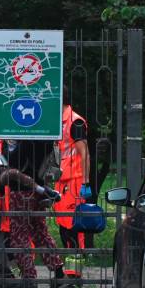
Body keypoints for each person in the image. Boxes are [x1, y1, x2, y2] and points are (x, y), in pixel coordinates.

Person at [0, 139, 65, 288]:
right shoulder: (42, 138)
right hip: (39, 189)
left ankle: (29, 278)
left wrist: (8, 150)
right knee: (40, 233)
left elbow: (14, 166)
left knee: (19, 236)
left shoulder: (24, 142)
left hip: (22, 191)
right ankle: (59, 272)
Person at [53, 90, 91, 249]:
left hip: (74, 181)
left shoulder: (75, 122)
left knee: (73, 225)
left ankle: (74, 269)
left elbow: (85, 154)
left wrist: (86, 183)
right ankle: (71, 266)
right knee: (63, 224)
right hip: (61, 179)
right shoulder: (57, 121)